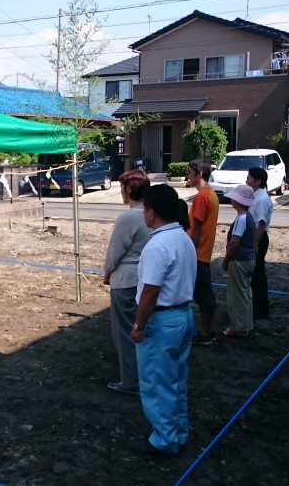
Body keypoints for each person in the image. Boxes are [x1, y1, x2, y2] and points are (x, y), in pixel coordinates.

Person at [129, 184, 197, 456]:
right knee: (176, 380)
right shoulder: (183, 238)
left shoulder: (158, 245)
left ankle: (164, 438)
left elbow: (150, 291)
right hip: (182, 315)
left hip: (162, 320)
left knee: (157, 383)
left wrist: (138, 325)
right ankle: (178, 431)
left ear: (152, 213)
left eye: (145, 209)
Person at [102, 170, 151, 396]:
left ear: (129, 190)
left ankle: (130, 380)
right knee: (142, 330)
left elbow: (116, 251)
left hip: (126, 279)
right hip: (145, 279)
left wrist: (107, 272)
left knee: (123, 332)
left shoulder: (129, 217)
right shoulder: (152, 214)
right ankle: (142, 376)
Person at [186, 159, 220, 345]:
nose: (188, 175)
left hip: (198, 254)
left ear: (199, 174)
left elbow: (197, 227)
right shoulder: (211, 194)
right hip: (203, 253)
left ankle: (206, 332)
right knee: (205, 293)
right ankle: (209, 330)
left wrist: (189, 251)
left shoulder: (201, 197)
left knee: (203, 295)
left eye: (190, 172)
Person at [221, 184, 256, 338]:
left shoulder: (241, 219)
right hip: (249, 259)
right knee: (246, 293)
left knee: (237, 295)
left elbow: (235, 242)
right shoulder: (249, 217)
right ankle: (247, 324)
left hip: (239, 259)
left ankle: (240, 327)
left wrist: (226, 259)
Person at [247, 167, 273, 320]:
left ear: (258, 181)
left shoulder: (261, 199)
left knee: (258, 274)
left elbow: (261, 224)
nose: (247, 181)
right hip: (256, 237)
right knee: (255, 274)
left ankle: (261, 308)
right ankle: (257, 306)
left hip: (259, 238)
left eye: (249, 178)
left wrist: (255, 244)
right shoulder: (256, 196)